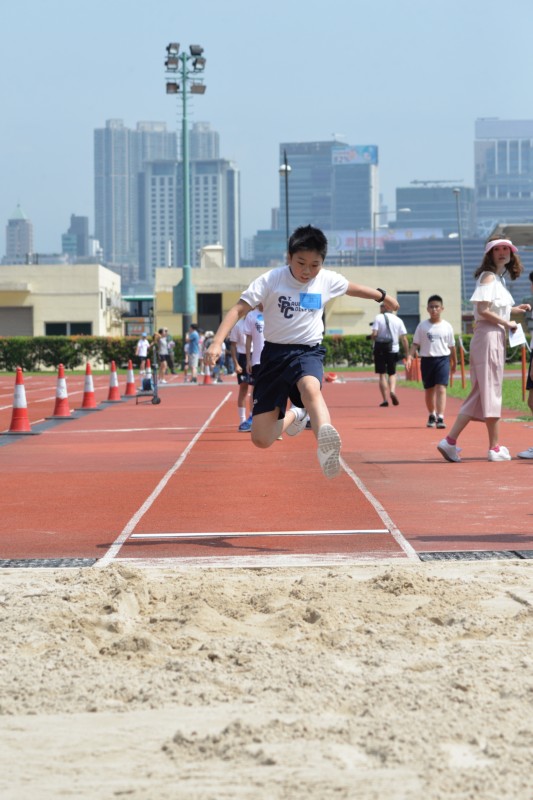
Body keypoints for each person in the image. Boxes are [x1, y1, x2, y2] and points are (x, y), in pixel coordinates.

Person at [204, 224, 399, 479]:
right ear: (289, 257)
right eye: (301, 263)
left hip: (307, 352)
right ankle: (297, 414)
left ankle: (326, 446)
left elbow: (352, 288)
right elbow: (238, 310)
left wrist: (382, 296)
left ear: (322, 262)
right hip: (273, 357)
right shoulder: (271, 279)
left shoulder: (327, 279)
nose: (307, 271)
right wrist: (217, 342)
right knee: (262, 439)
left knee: (310, 388)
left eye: (314, 264)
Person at [437, 237, 530, 463]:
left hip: (492, 336)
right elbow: (483, 310)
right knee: (490, 391)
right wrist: (507, 322)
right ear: (489, 254)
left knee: (483, 392)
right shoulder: (489, 277)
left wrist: (514, 310)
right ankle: (491, 447)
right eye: (496, 249)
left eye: (505, 249)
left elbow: (493, 308)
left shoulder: (497, 279)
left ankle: (453, 442)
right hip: (489, 336)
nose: (501, 253)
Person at [409, 295, 457, 429]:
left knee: (441, 388)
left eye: (437, 307)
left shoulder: (447, 326)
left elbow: (452, 346)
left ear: (442, 308)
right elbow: (415, 344)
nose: (434, 309)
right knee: (429, 390)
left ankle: (440, 417)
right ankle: (432, 414)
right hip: (427, 360)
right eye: (431, 307)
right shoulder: (422, 326)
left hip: (442, 359)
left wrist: (454, 362)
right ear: (427, 309)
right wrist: (409, 357)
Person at [371, 305, 409, 407]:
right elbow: (404, 339)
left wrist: (372, 338)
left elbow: (374, 334)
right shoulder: (398, 320)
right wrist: (407, 353)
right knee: (392, 373)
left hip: (380, 349)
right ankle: (392, 390)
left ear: (384, 308)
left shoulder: (378, 317)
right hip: (393, 349)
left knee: (382, 374)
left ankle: (385, 399)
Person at [230, 316, 253, 431]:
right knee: (243, 388)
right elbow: (233, 346)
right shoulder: (238, 325)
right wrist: (236, 364)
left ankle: (252, 417)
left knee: (256, 389)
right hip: (242, 357)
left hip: (256, 356)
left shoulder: (258, 319)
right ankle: (242, 419)